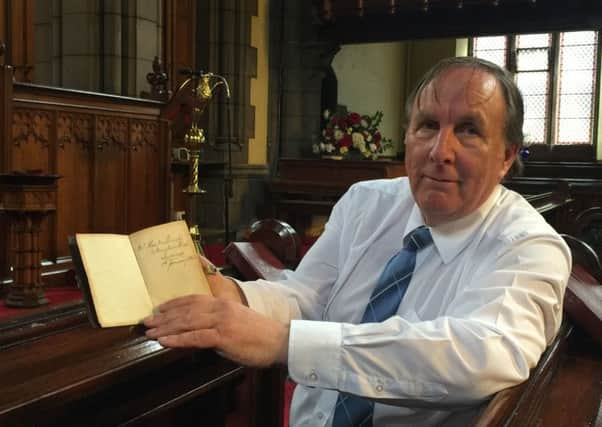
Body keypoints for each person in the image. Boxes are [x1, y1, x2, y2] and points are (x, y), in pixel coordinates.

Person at [144, 56, 571, 426]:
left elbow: (481, 355)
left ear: (507, 156)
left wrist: (285, 343)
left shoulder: (529, 245)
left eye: (469, 130)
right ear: (406, 135)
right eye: (427, 126)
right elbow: (307, 296)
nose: (441, 151)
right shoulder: (367, 202)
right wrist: (236, 296)